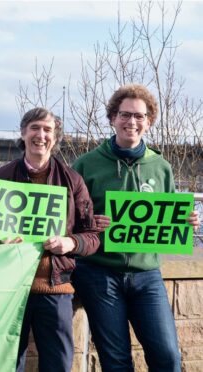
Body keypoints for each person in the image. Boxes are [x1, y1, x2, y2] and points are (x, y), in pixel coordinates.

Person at [72, 84, 200, 372]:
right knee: (116, 362)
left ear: (149, 121)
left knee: (168, 357)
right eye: (125, 115)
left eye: (139, 116)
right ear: (113, 118)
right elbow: (70, 222)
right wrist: (90, 224)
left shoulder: (161, 167)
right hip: (100, 273)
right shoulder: (86, 164)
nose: (132, 122)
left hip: (147, 275)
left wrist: (186, 222)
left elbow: (166, 223)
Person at [0, 108, 99, 372]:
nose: (41, 135)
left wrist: (70, 244)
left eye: (48, 130)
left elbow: (92, 236)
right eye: (35, 128)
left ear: (55, 138)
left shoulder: (72, 181)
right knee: (6, 364)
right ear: (23, 133)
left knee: (58, 365)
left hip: (55, 288)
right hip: (9, 288)